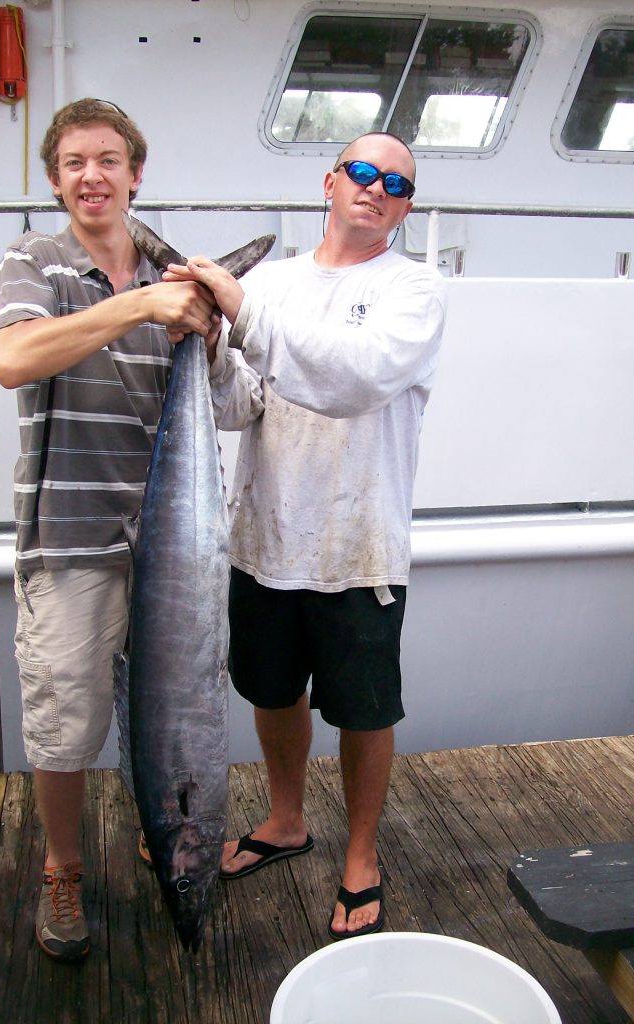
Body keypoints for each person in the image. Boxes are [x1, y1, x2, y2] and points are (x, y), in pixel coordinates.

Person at [0, 98, 261, 961]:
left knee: (172, 710)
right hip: (71, 537)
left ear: (134, 173)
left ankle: (160, 823)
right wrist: (143, 307)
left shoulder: (174, 285)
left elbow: (242, 406)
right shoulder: (35, 260)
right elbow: (13, 360)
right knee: (66, 720)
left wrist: (210, 330)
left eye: (107, 160)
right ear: (55, 179)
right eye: (73, 163)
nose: (91, 176)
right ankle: (63, 867)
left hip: (176, 550)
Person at [162, 131, 447, 940]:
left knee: (362, 709)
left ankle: (361, 855)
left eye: (395, 182)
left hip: (359, 545)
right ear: (329, 182)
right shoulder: (275, 280)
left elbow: (352, 378)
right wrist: (213, 345)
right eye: (361, 172)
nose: (376, 187)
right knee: (272, 691)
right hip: (263, 536)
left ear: (405, 206)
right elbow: (238, 406)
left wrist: (239, 311)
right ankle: (285, 819)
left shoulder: (414, 290)